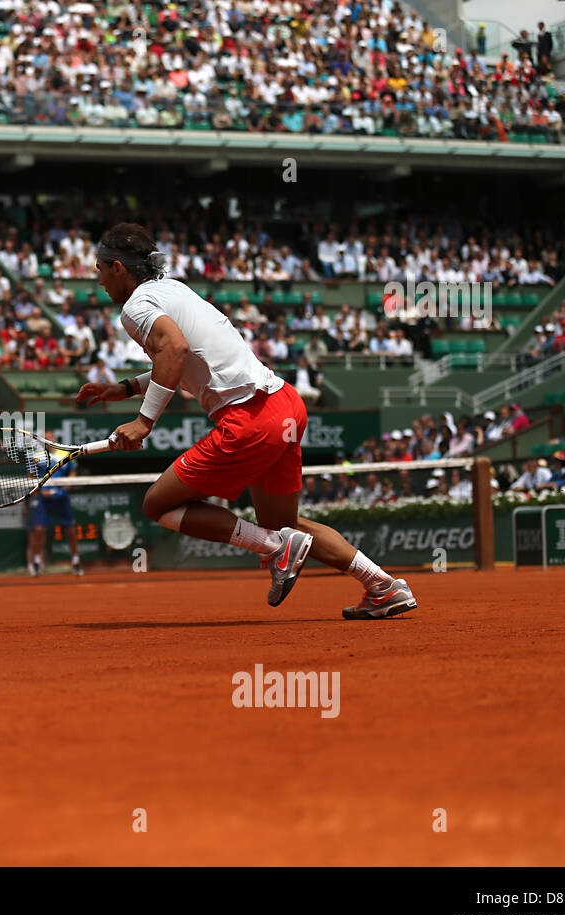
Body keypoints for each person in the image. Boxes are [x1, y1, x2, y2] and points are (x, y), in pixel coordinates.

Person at [76, 222, 416, 620]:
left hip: (250, 420)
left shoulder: (135, 307)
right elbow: (191, 361)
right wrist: (126, 387)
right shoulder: (176, 290)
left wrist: (143, 422)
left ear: (118, 268)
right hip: (285, 405)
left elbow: (176, 350)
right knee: (283, 523)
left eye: (100, 270)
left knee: (157, 505)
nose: (99, 281)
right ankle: (382, 585)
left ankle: (274, 548)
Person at [26, 430, 83, 577]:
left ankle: (75, 560)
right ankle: (38, 561)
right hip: (42, 498)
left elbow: (72, 472)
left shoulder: (64, 454)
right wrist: (39, 489)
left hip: (62, 497)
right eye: (46, 438)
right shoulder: (36, 457)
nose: (48, 440)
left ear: (55, 440)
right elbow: (30, 477)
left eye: (51, 438)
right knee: (39, 529)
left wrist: (65, 487)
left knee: (70, 528)